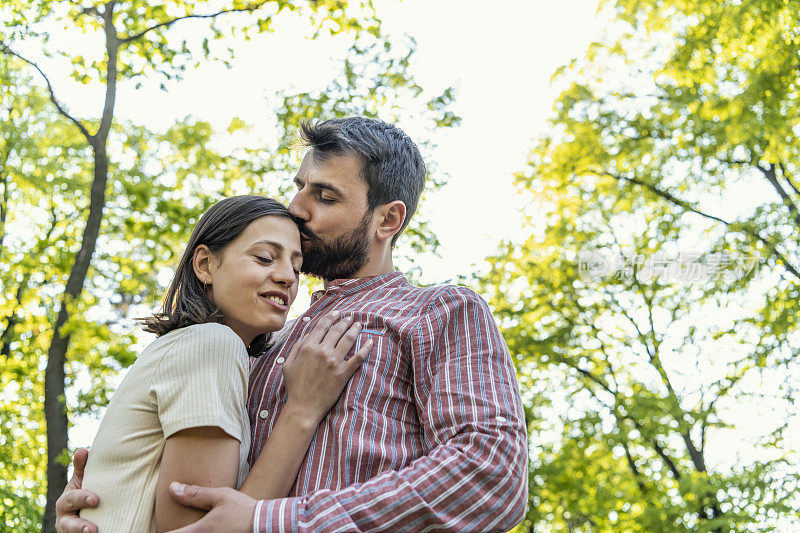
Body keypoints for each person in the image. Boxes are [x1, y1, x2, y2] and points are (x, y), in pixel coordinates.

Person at [57, 117, 529, 533]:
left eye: (324, 196)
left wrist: (271, 522)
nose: (298, 207)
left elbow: (491, 473)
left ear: (388, 219)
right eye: (301, 186)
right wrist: (103, 500)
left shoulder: (440, 313)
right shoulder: (255, 344)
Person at [73, 195, 372, 532]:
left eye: (296, 267)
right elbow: (198, 527)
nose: (287, 276)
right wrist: (302, 411)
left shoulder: (200, 351)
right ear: (205, 265)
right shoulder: (212, 343)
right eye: (265, 258)